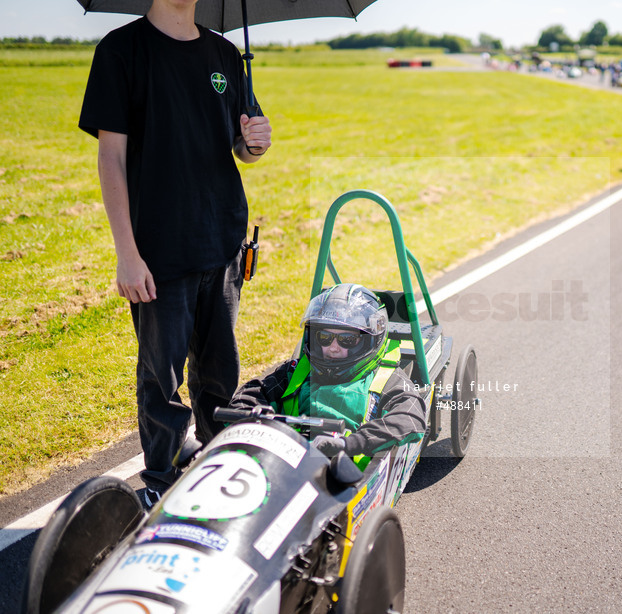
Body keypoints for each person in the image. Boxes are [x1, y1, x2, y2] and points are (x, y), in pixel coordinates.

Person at [78, 0, 273, 510]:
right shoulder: (122, 51)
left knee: (219, 374)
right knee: (160, 381)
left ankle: (218, 471)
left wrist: (256, 142)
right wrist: (127, 254)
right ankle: (160, 482)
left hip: (224, 240)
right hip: (158, 250)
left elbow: (241, 146)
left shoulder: (227, 54)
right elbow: (111, 157)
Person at [229, 283, 426, 458]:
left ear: (369, 340)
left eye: (346, 339)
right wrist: (255, 421)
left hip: (349, 472)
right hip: (287, 460)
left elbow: (410, 417)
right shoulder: (298, 370)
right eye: (324, 337)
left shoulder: (386, 378)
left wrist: (348, 445)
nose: (333, 348)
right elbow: (252, 393)